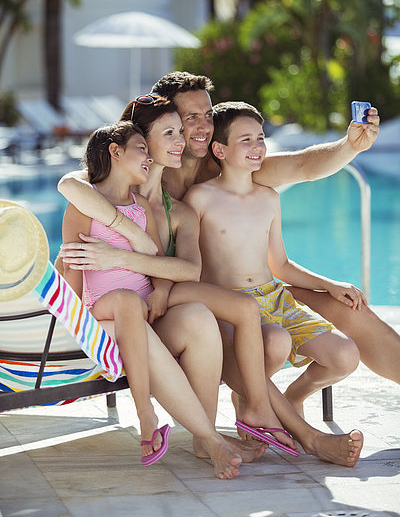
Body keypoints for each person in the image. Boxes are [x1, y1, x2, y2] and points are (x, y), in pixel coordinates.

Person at [60, 96, 364, 468]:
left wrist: (144, 271)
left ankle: (244, 417)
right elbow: (70, 188)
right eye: (170, 133)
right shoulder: (107, 199)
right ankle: (294, 432)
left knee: (234, 313)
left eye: (181, 132)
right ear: (135, 144)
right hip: (121, 308)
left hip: (165, 300)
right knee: (218, 318)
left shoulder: (174, 207)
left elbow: (177, 267)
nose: (182, 140)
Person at [61, 119, 251, 477]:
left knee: (197, 316)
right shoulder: (82, 207)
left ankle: (202, 431)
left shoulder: (141, 209)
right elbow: (73, 274)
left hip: (145, 316)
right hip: (104, 315)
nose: (148, 158)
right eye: (141, 149)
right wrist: (71, 330)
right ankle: (171, 424)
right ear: (115, 152)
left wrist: (160, 295)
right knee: (127, 302)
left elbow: (158, 268)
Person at [184, 102, 365, 420]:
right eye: (245, 140)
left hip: (275, 297)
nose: (257, 147)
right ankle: (249, 407)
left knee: (345, 355)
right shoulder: (200, 198)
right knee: (276, 343)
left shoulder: (269, 198)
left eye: (260, 137)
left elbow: (280, 265)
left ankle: (291, 398)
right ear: (220, 150)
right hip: (230, 305)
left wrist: (330, 285)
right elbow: (192, 268)